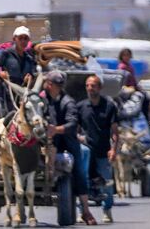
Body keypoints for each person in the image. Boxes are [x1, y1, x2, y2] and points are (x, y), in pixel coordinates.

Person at [42, 71, 97, 225]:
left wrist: (55, 130)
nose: (50, 86)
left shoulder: (68, 102)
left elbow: (72, 124)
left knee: (78, 171)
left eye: (53, 84)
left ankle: (85, 210)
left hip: (66, 142)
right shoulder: (42, 99)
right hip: (44, 142)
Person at [77, 75, 119, 223]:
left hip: (103, 151)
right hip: (86, 152)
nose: (90, 88)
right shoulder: (81, 106)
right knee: (83, 182)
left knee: (106, 183)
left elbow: (114, 131)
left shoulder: (109, 106)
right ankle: (82, 211)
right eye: (88, 85)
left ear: (100, 88)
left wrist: (114, 149)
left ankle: (107, 210)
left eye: (93, 85)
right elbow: (75, 128)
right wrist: (78, 139)